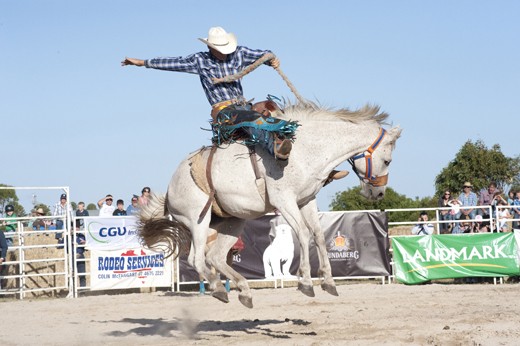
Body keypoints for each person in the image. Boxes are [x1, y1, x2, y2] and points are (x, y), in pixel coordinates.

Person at [121, 26, 295, 160]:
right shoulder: (200, 60)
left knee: (267, 106)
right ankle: (276, 147)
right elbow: (172, 62)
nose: (224, 52)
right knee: (248, 118)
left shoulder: (238, 53)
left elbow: (264, 54)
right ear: (210, 47)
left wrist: (272, 59)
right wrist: (142, 62)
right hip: (224, 111)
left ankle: (286, 135)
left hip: (243, 104)